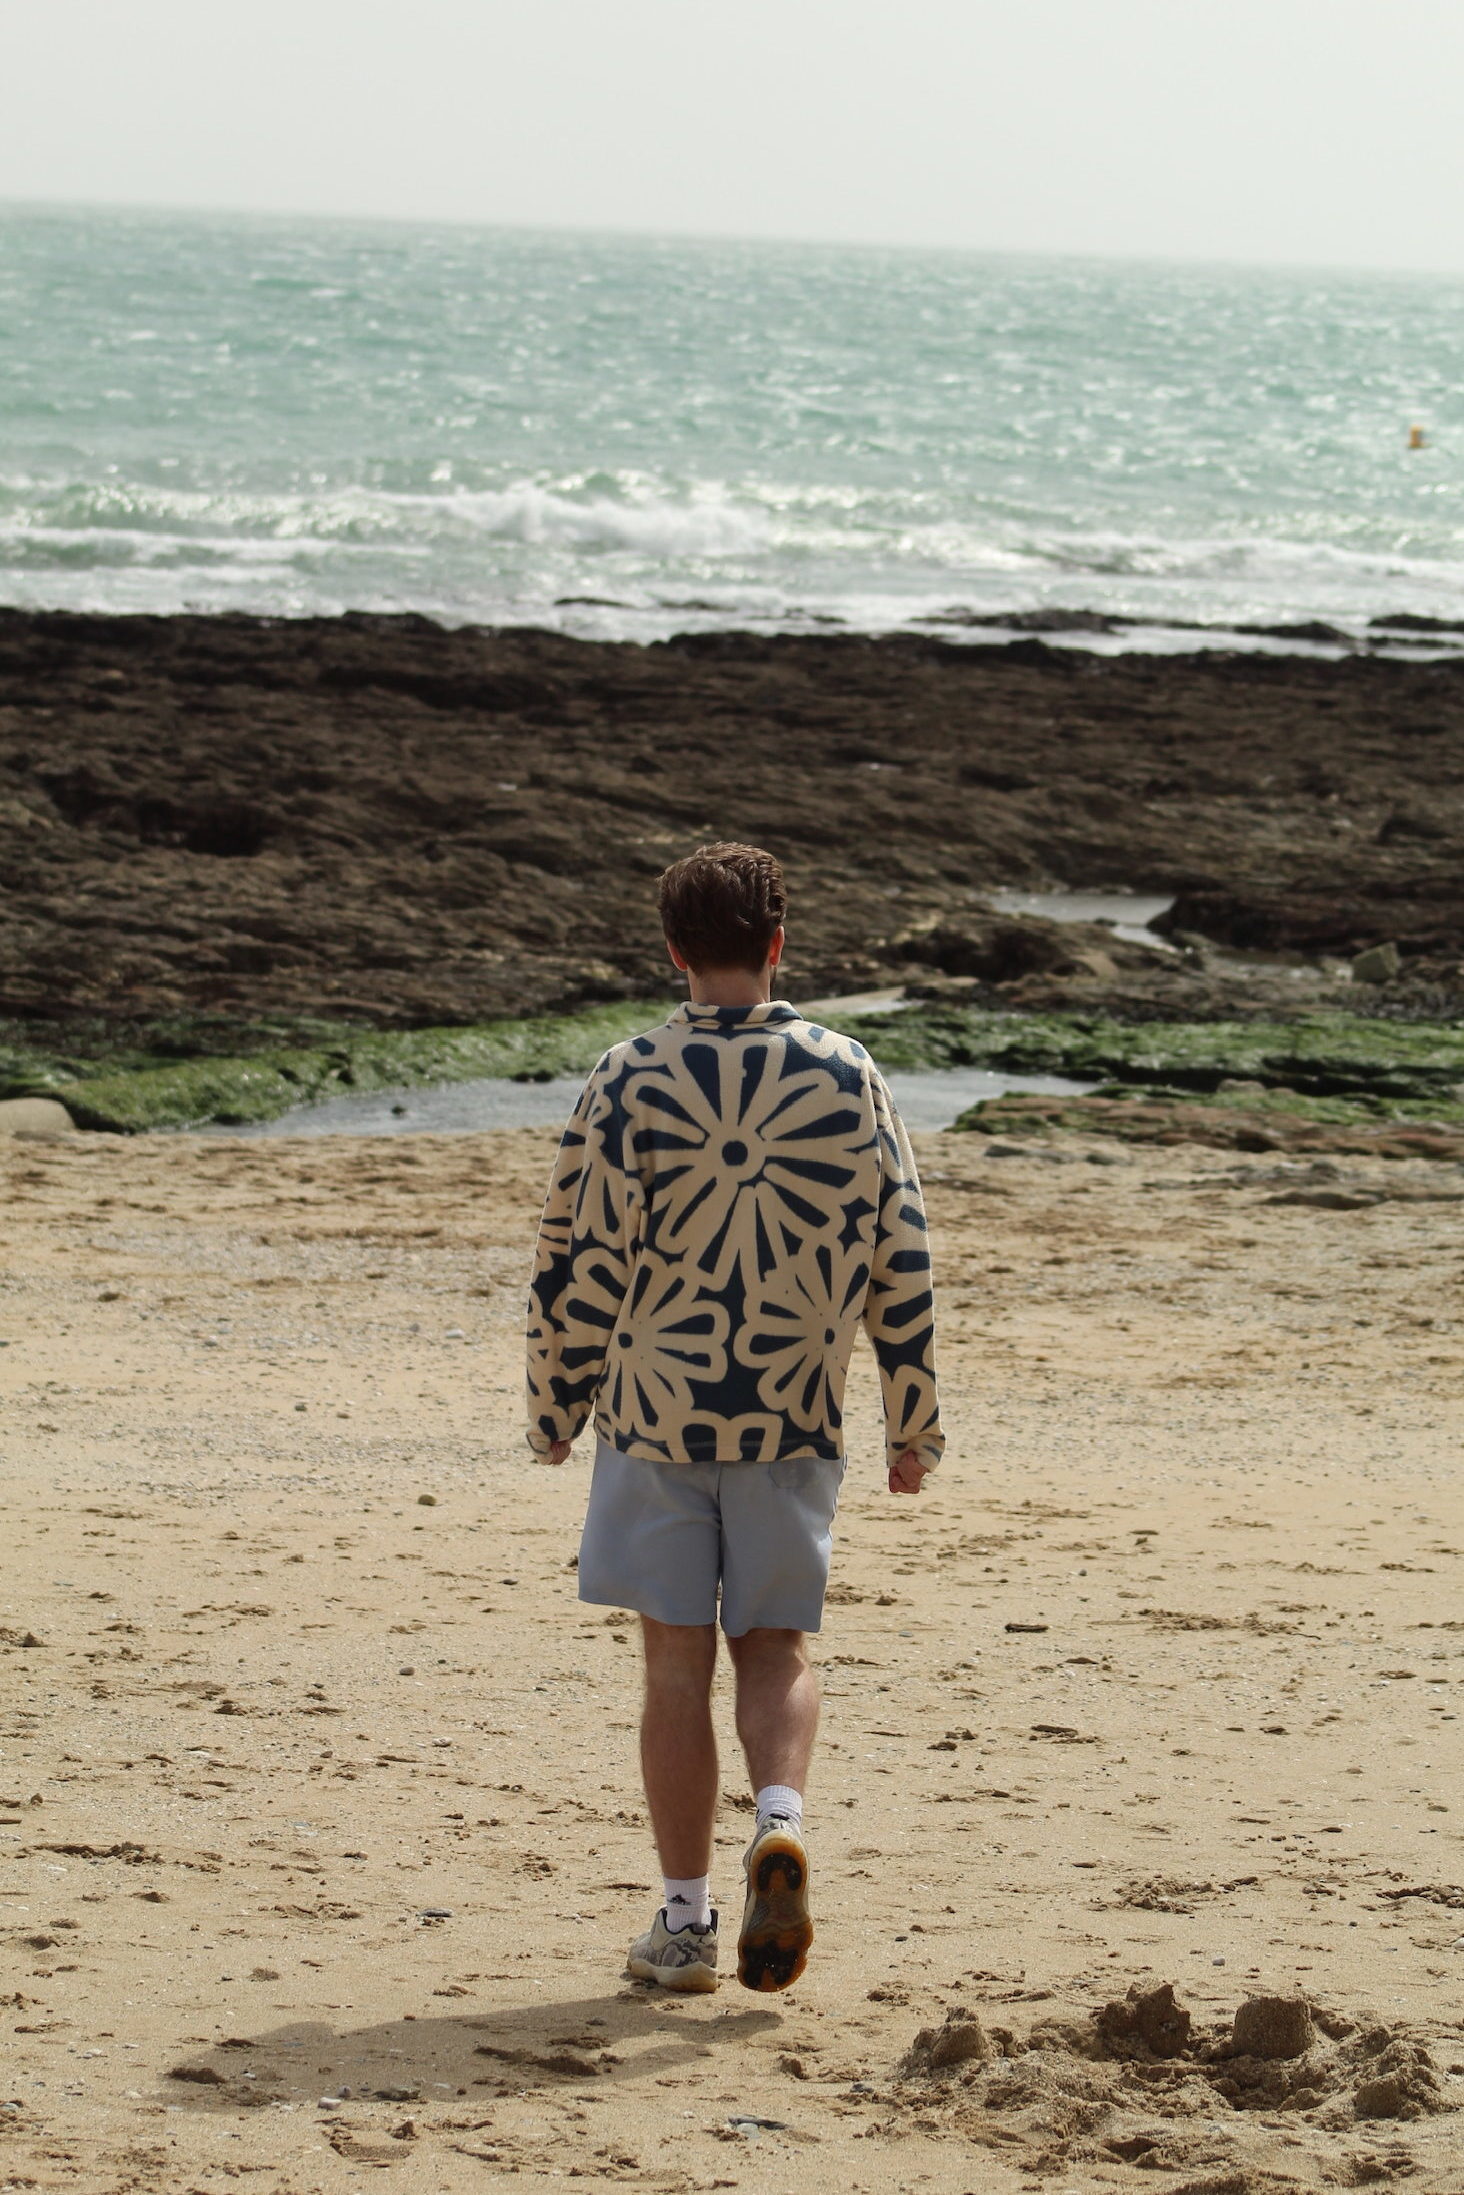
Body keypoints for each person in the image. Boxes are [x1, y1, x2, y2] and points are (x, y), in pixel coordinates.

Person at [525, 842, 944, 1993]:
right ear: (777, 943)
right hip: (793, 1412)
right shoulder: (847, 1070)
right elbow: (899, 1250)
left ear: (672, 950)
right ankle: (779, 1818)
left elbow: (579, 1255)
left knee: (673, 1668)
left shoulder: (628, 1075)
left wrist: (555, 1400)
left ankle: (684, 1921)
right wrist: (915, 1419)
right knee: (778, 1647)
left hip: (658, 1414)